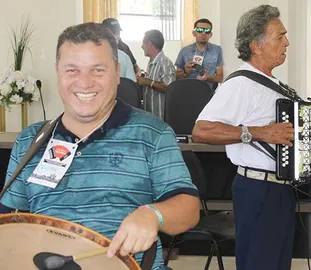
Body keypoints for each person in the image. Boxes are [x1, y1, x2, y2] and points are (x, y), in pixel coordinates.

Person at [0, 22, 200, 270]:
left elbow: (189, 207)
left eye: (98, 70)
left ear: (117, 73)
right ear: (58, 72)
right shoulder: (31, 140)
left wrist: (153, 215)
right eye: (72, 70)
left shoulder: (153, 133)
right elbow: (8, 221)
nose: (84, 83)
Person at [192, 5, 311, 270]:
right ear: (256, 45)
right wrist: (258, 133)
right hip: (258, 190)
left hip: (281, 188)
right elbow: (201, 130)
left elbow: (296, 137)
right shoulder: (239, 84)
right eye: (279, 37)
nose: (287, 42)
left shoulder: (276, 86)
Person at [136, 29, 176, 121]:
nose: (142, 47)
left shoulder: (165, 62)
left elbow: (169, 87)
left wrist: (147, 82)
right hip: (151, 116)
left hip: (161, 118)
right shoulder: (151, 62)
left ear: (149, 44)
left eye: (143, 43)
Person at [175, 18, 224, 90]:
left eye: (207, 31)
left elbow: (220, 78)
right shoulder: (184, 51)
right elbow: (176, 77)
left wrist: (208, 77)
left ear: (210, 34)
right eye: (200, 30)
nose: (203, 33)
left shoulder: (217, 50)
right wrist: (186, 72)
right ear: (194, 33)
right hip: (187, 91)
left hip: (208, 92)